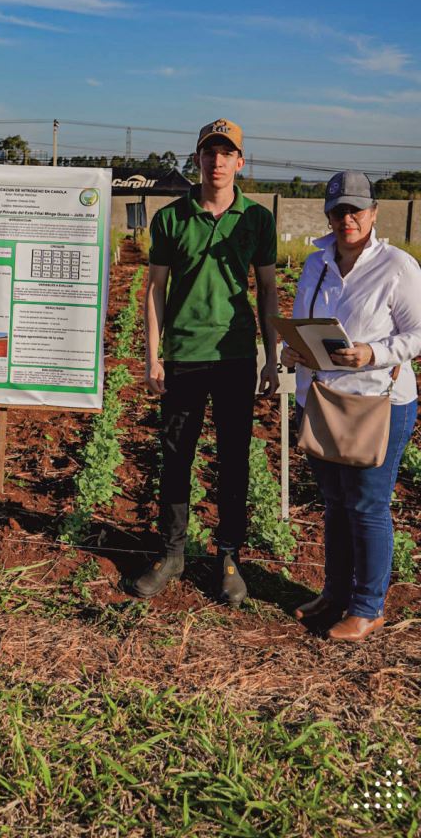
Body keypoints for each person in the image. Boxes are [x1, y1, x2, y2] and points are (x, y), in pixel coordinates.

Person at [133, 118, 279, 606]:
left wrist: (271, 356)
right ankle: (172, 552)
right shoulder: (172, 218)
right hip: (185, 357)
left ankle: (229, 557)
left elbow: (267, 291)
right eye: (208, 152)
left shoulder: (257, 220)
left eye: (226, 152)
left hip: (236, 356)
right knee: (176, 456)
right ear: (196, 160)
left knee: (234, 460)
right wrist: (153, 355)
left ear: (240, 162)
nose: (216, 161)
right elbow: (155, 289)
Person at [281, 171, 421, 641]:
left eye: (356, 210)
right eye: (339, 210)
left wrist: (372, 353)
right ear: (329, 214)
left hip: (377, 404)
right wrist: (294, 349)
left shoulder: (397, 266)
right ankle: (335, 592)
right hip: (322, 399)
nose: (347, 219)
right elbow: (305, 321)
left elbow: (417, 334)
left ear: (374, 213)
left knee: (367, 505)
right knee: (335, 505)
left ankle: (368, 606)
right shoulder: (316, 262)